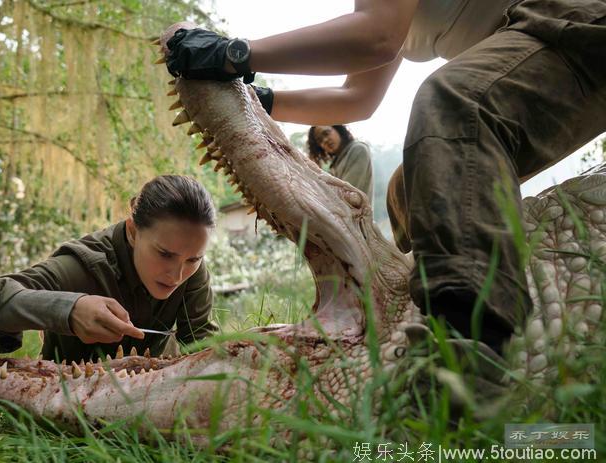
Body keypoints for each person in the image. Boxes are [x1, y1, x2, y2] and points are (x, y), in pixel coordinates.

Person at [159, 0, 606, 357]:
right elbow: (358, 98)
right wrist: (260, 100)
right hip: (534, 44)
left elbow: (374, 37)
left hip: (573, 19)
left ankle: (465, 350)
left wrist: (233, 53)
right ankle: (414, 308)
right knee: (411, 189)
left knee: (454, 103)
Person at [0, 175, 218, 362]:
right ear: (132, 231)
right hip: (63, 412)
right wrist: (68, 310)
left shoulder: (191, 269)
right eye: (164, 254)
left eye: (193, 259)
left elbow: (202, 348)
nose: (177, 275)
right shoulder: (80, 267)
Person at [307, 125, 374, 203]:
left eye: (326, 133)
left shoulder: (358, 149)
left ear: (338, 129)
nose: (325, 140)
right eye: (320, 140)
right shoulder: (336, 163)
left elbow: (347, 194)